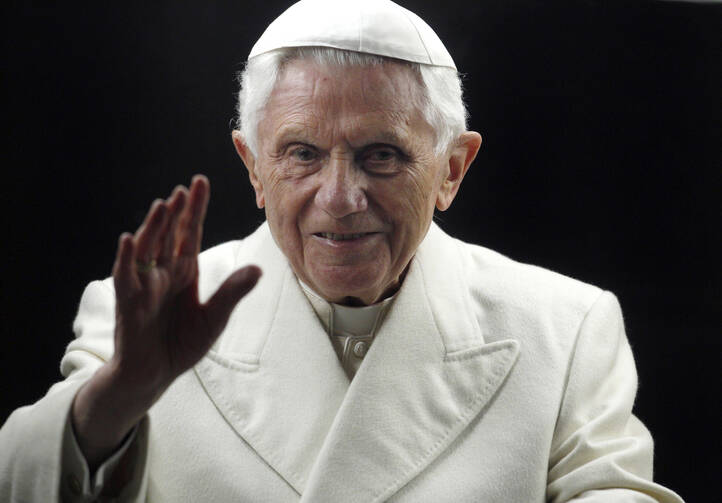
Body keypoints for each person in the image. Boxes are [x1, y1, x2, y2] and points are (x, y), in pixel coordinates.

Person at [0, 0, 684, 501]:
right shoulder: (142, 314)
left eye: (380, 155)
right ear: (253, 166)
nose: (340, 197)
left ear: (452, 168)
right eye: (302, 153)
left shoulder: (566, 327)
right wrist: (120, 395)